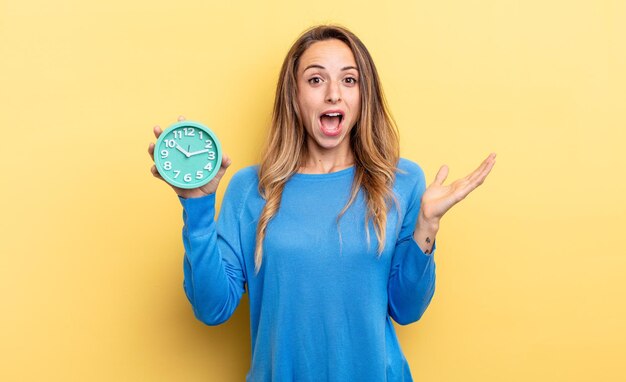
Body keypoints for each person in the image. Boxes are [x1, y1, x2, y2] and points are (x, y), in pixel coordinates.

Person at [148, 25, 496, 382]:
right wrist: (198, 207)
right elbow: (211, 307)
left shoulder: (401, 182)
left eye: (349, 80)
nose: (333, 94)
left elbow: (406, 309)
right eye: (316, 80)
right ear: (294, 96)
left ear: (364, 95)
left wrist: (427, 225)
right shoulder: (250, 189)